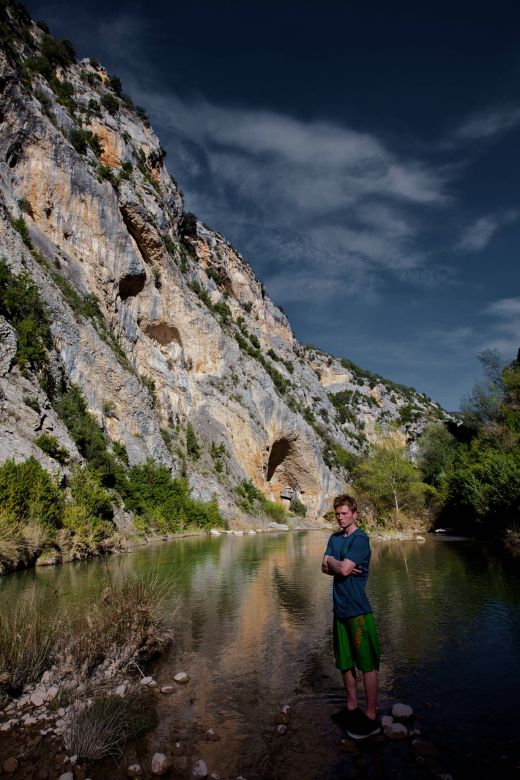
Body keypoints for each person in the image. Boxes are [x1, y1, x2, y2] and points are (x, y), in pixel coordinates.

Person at [322, 494, 381, 739]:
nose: (340, 517)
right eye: (337, 514)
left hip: (358, 611)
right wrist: (337, 564)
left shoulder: (361, 539)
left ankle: (370, 715)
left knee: (367, 664)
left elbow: (342, 568)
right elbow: (325, 566)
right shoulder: (334, 538)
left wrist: (335, 564)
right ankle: (351, 706)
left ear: (354, 514)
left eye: (345, 513)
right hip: (339, 611)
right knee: (344, 662)